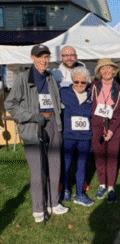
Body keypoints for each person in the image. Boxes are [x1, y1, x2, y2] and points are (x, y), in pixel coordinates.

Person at [4, 44, 68, 222]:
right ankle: (38, 208)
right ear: (33, 58)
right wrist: (32, 116)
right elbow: (10, 104)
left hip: (53, 125)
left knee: (54, 166)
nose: (44, 60)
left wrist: (58, 123)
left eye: (46, 56)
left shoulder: (50, 78)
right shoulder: (23, 78)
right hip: (33, 127)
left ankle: (53, 203)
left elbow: (56, 101)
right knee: (38, 170)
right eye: (40, 57)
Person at [90, 58, 120, 204]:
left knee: (111, 157)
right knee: (99, 156)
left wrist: (111, 130)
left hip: (114, 128)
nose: (106, 71)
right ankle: (101, 185)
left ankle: (111, 188)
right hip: (97, 126)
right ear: (99, 72)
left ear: (113, 70)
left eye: (108, 68)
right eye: (102, 68)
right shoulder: (92, 87)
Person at [59, 67, 94, 206]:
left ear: (87, 82)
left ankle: (79, 194)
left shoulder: (92, 95)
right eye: (76, 82)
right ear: (72, 81)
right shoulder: (63, 93)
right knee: (66, 165)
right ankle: (65, 190)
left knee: (82, 165)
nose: (79, 85)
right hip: (68, 136)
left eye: (82, 82)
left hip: (85, 137)